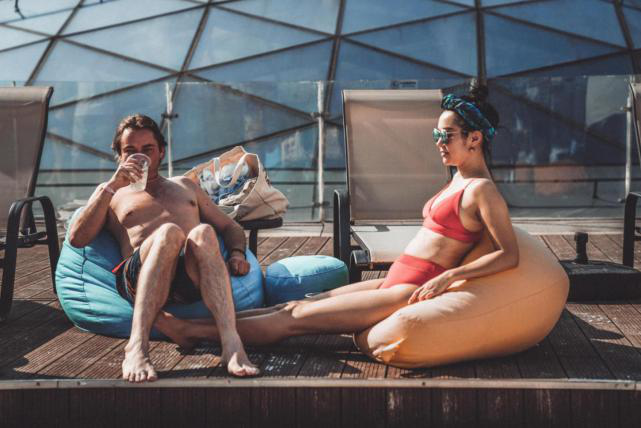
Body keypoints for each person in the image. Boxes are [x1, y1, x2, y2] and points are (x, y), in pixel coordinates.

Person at [127, 84, 519, 358]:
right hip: (397, 277)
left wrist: (450, 278)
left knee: (293, 318)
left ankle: (192, 332)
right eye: (436, 133)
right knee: (298, 303)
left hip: (410, 288)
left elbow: (508, 254)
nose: (437, 141)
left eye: (446, 135)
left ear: (474, 139)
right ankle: (207, 326)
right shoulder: (458, 181)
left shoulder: (481, 191)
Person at [68, 114, 259, 382]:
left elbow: (230, 227)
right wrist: (111, 186)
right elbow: (77, 239)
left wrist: (237, 253)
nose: (140, 157)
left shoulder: (186, 186)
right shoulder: (111, 193)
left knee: (203, 232)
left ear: (161, 152)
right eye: (130, 151)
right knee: (169, 233)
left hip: (188, 279)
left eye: (147, 149)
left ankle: (231, 344)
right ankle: (137, 347)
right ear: (119, 156)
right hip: (138, 277)